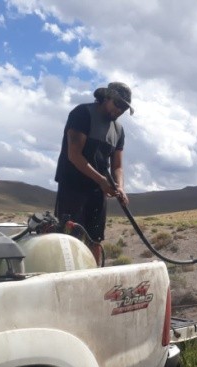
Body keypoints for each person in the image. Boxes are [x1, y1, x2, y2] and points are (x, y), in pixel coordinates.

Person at [54, 81, 133, 265]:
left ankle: (94, 277)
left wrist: (120, 187)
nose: (119, 110)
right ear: (106, 98)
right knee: (70, 239)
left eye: (124, 107)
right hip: (73, 186)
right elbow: (74, 155)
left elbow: (117, 166)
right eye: (117, 104)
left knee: (95, 239)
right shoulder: (82, 113)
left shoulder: (118, 130)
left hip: (97, 191)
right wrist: (102, 180)